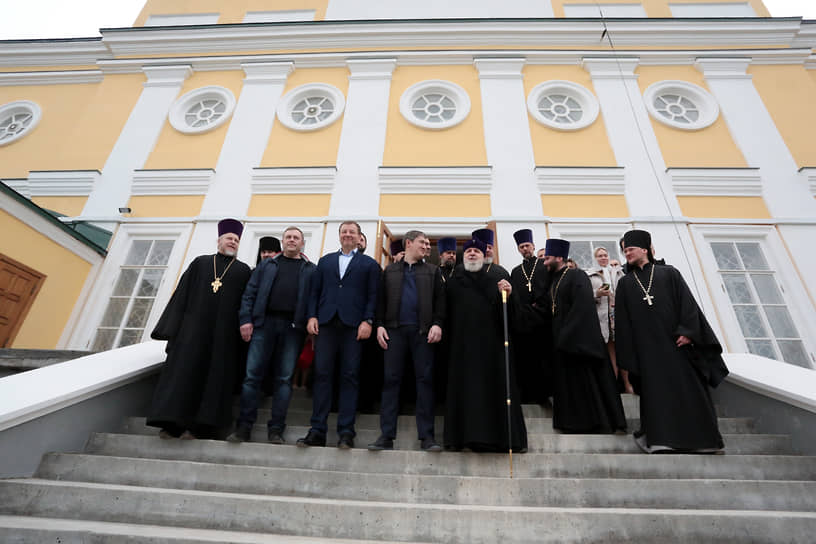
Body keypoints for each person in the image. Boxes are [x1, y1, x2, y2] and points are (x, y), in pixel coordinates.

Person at [615, 229, 728, 454]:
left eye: (630, 249)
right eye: (624, 250)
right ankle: (660, 441)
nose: (626, 253)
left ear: (645, 249)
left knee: (689, 391)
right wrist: (630, 354)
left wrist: (688, 332)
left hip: (677, 345)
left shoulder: (669, 273)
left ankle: (703, 441)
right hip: (647, 352)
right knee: (657, 397)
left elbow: (688, 304)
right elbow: (622, 322)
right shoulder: (625, 283)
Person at [147, 218, 252, 440]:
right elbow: (181, 296)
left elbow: (246, 304)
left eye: (236, 239)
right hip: (191, 334)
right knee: (182, 377)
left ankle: (202, 428)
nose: (232, 242)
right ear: (219, 241)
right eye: (229, 238)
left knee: (213, 381)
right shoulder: (200, 263)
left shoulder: (243, 271)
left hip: (224, 338)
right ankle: (171, 424)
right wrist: (172, 329)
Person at [227, 227, 316, 444]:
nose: (292, 240)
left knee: (284, 380)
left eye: (296, 238)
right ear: (283, 242)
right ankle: (244, 428)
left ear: (302, 243)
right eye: (288, 237)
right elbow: (250, 293)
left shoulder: (311, 270)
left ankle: (276, 429)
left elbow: (314, 299)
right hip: (263, 325)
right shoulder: (267, 265)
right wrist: (246, 320)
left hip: (293, 329)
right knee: (252, 377)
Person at [297, 221, 380, 449]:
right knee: (322, 375)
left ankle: (346, 432)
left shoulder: (369, 264)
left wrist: (368, 320)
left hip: (354, 327)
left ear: (359, 237)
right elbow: (315, 292)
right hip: (326, 324)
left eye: (352, 232)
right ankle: (317, 430)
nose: (347, 235)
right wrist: (312, 317)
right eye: (344, 232)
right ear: (339, 236)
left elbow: (373, 295)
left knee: (350, 377)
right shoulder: (325, 262)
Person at [444, 238, 527, 453]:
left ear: (484, 256)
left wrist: (508, 296)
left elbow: (511, 317)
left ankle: (499, 439)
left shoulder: (497, 280)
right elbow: (444, 315)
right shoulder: (453, 283)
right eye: (469, 251)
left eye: (476, 251)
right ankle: (463, 438)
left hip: (492, 349)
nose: (472, 254)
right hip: (461, 349)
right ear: (464, 256)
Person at [368, 230, 445, 452]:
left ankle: (427, 437)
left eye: (428, 244)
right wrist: (380, 324)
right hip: (394, 333)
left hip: (423, 334)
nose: (427, 247)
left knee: (425, 382)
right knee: (391, 382)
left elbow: (441, 301)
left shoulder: (433, 271)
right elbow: (380, 301)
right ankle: (386, 436)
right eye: (423, 242)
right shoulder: (390, 271)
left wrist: (438, 324)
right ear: (409, 243)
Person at [542, 238, 626, 434]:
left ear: (559, 258)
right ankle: (572, 423)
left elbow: (583, 307)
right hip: (562, 343)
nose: (545, 263)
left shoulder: (577, 275)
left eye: (547, 259)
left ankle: (596, 423)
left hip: (579, 342)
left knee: (588, 385)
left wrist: (567, 335)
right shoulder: (553, 281)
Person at [509, 228, 552, 405]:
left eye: (527, 245)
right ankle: (529, 395)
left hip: (543, 320)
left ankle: (546, 394)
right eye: (521, 247)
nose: (525, 249)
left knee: (544, 358)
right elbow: (515, 296)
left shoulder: (544, 266)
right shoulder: (516, 271)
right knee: (526, 360)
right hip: (524, 321)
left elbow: (549, 290)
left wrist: (539, 307)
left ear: (533, 246)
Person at [587, 247, 632, 393]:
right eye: (600, 256)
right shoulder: (591, 275)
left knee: (623, 349)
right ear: (595, 258)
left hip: (619, 314)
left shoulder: (618, 272)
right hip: (603, 316)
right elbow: (586, 296)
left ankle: (627, 383)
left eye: (605, 255)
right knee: (610, 351)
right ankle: (614, 384)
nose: (603, 258)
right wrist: (597, 293)